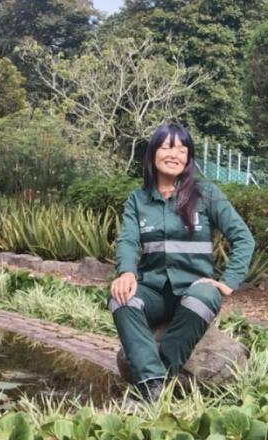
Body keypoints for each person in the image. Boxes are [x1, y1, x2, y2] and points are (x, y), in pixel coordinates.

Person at [109, 123, 254, 401]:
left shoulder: (206, 194)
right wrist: (126, 272)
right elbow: (128, 241)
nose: (173, 154)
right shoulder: (138, 200)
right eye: (166, 147)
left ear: (188, 158)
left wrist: (227, 282)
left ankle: (151, 384)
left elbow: (243, 238)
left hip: (194, 289)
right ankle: (154, 384)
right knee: (121, 299)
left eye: (181, 149)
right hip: (153, 292)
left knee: (200, 297)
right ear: (153, 153)